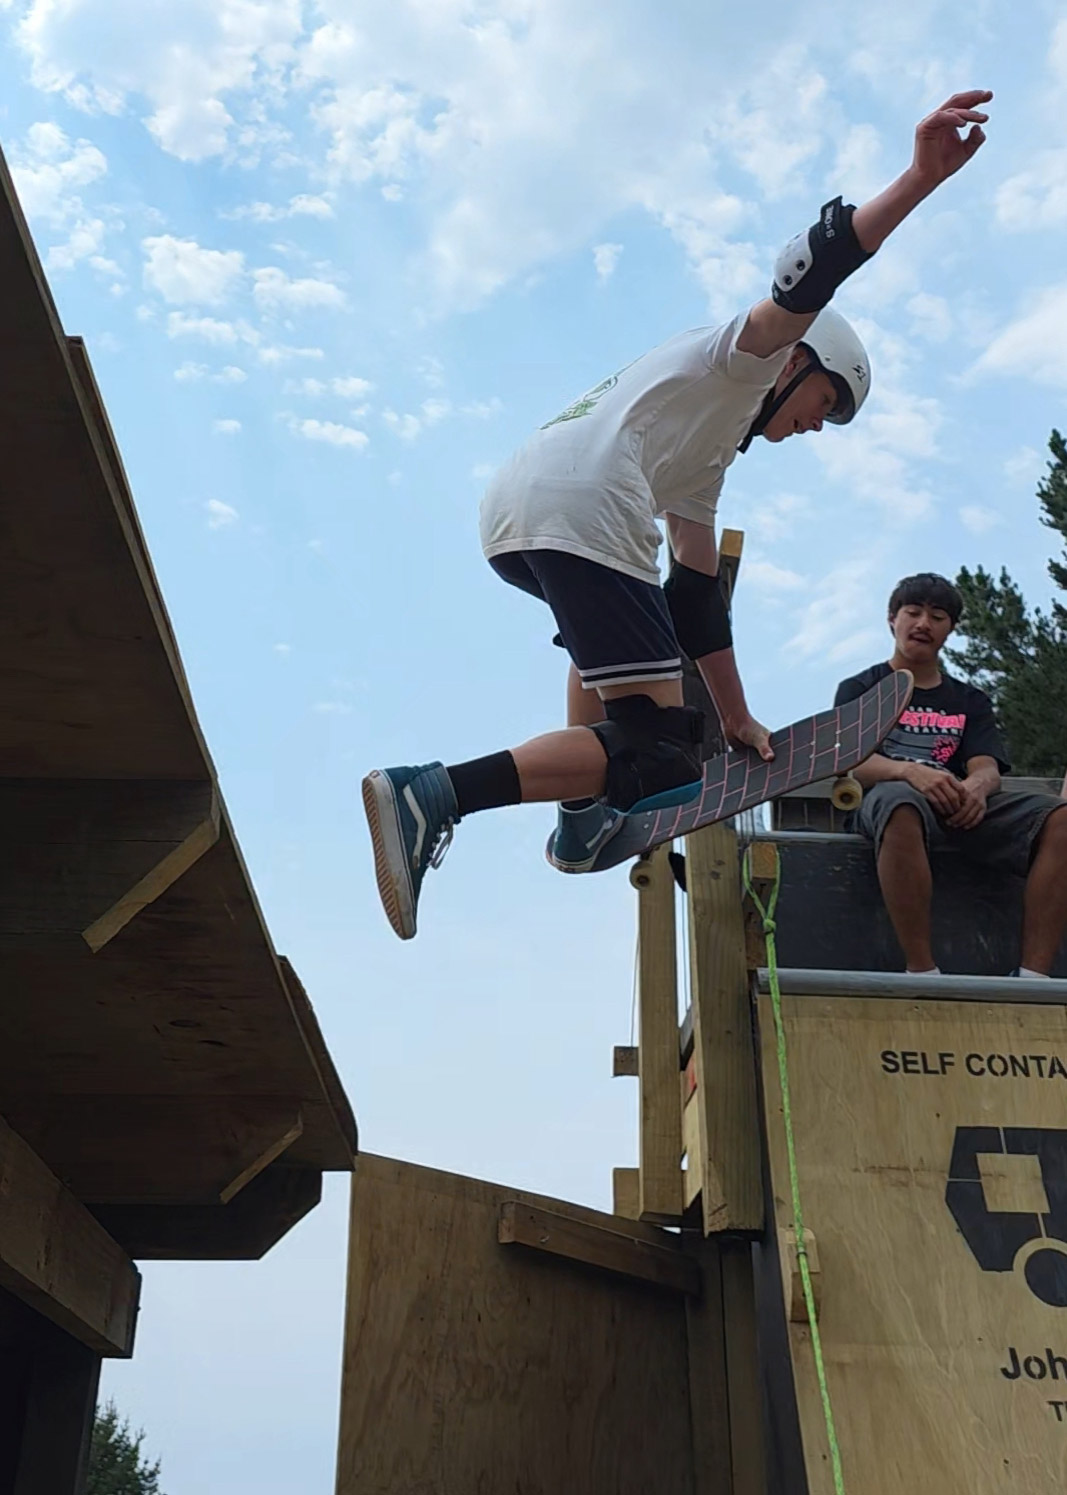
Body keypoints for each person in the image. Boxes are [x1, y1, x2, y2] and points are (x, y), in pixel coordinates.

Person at [364, 90, 994, 941]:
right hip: (589, 503)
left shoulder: (704, 455)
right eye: (825, 403)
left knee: (630, 653)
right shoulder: (747, 358)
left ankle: (583, 812)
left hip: (519, 509)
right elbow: (811, 270)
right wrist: (916, 181)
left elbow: (696, 602)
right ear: (800, 362)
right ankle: (433, 792)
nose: (816, 425)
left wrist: (735, 717)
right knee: (659, 752)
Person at [835, 573, 1067, 977]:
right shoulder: (861, 688)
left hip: (957, 809)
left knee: (1061, 819)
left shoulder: (969, 699)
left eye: (938, 617)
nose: (924, 623)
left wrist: (977, 787)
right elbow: (850, 762)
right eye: (913, 612)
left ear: (950, 629)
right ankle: (921, 971)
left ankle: (1034, 977)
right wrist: (910, 772)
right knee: (900, 804)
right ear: (892, 620)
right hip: (888, 806)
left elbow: (986, 766)